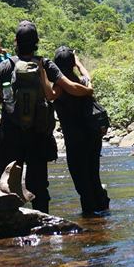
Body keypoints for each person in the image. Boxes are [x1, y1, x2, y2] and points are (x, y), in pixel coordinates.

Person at [0, 21, 86, 213]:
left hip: (11, 133)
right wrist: (87, 88)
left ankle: (9, 223)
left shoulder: (5, 66)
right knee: (39, 185)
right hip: (38, 133)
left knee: (6, 181)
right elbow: (68, 87)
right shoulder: (45, 64)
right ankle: (42, 224)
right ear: (36, 42)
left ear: (16, 42)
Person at [53, 46, 110, 216]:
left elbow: (49, 94)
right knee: (93, 174)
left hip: (74, 140)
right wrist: (78, 64)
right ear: (72, 64)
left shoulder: (59, 88)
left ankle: (90, 215)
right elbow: (88, 76)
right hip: (92, 136)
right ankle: (102, 213)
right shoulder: (83, 83)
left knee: (81, 180)